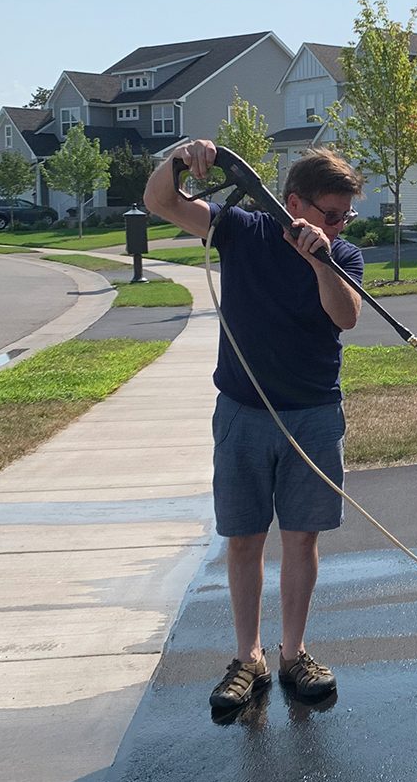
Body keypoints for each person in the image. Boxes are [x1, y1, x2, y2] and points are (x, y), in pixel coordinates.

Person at [144, 140, 364, 711]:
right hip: (242, 413)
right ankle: (249, 658)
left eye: (346, 216)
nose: (340, 225)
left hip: (314, 415)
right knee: (243, 540)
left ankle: (294, 653)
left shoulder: (344, 256)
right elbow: (160, 202)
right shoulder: (241, 228)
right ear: (294, 202)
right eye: (331, 214)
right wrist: (180, 159)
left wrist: (320, 255)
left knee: (301, 536)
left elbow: (345, 316)